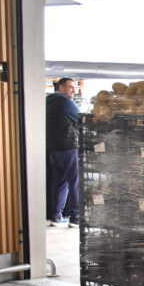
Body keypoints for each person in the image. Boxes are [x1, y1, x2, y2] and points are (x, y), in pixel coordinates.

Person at [46, 77, 81, 227]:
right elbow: (81, 119)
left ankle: (56, 216)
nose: (73, 90)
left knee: (59, 183)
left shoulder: (47, 102)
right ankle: (76, 218)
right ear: (60, 87)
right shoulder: (66, 102)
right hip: (68, 146)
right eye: (70, 87)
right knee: (74, 182)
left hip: (53, 148)